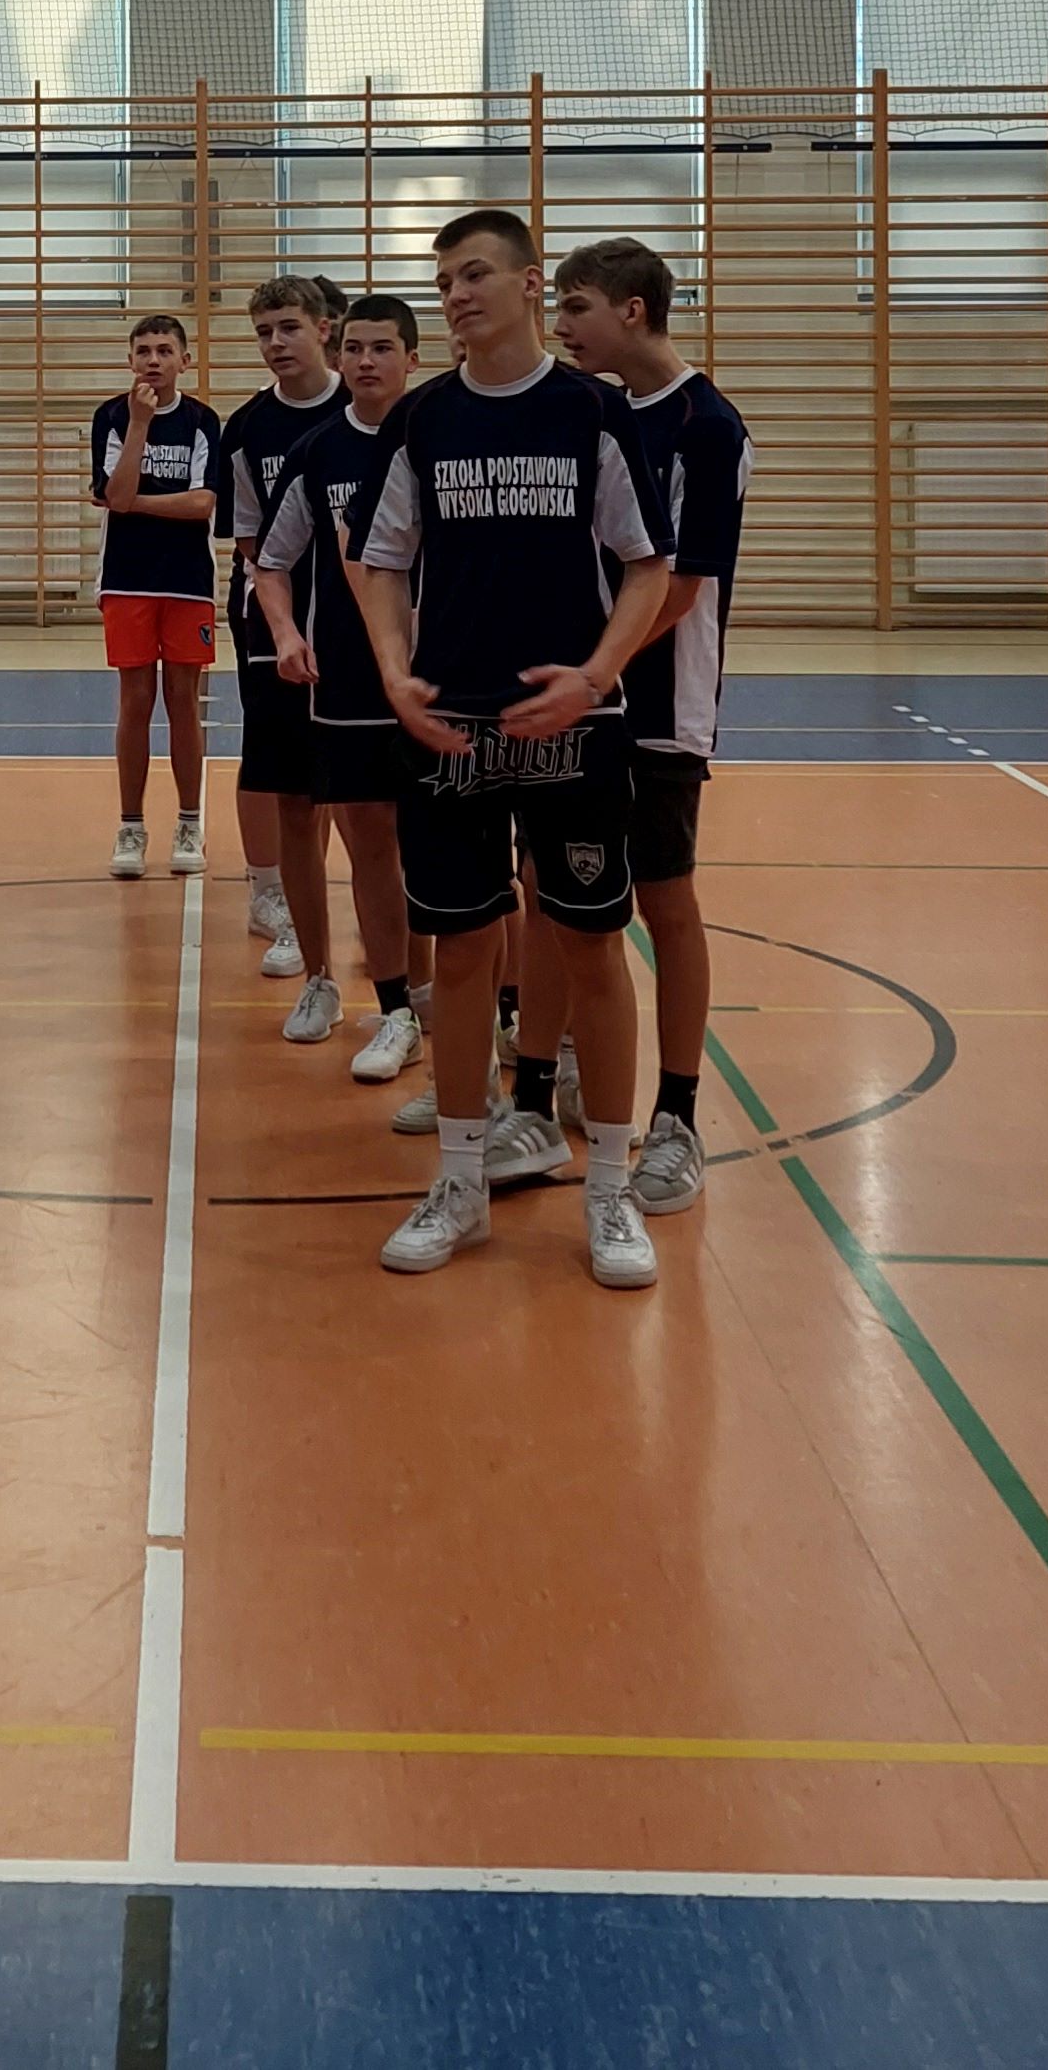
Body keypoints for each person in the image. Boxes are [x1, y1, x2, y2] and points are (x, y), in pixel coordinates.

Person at [347, 210, 671, 1292]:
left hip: (575, 728)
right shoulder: (422, 420)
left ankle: (610, 1188)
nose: (454, 294)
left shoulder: (593, 412)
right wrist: (394, 671)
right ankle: (461, 1183)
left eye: (475, 273)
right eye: (443, 279)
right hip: (453, 726)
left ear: (531, 285)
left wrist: (597, 674)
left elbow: (649, 565)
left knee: (590, 947)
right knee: (463, 953)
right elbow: (380, 562)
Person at [555, 238, 751, 1222]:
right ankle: (553, 1072)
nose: (560, 326)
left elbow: (679, 586)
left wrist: (596, 661)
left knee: (664, 900)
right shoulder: (587, 412)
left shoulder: (705, 427)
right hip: (579, 693)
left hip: (658, 702)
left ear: (632, 310)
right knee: (553, 891)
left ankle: (676, 1116)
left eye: (575, 307)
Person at [248, 296, 425, 1092]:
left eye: (381, 348)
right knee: (373, 841)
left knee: (442, 845)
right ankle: (396, 1006)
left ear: (412, 358)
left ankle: (465, 1001)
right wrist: (287, 633)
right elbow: (271, 560)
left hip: (439, 675)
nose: (364, 361)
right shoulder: (318, 451)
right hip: (349, 680)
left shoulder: (440, 436)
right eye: (354, 347)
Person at [218, 273, 348, 1009]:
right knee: (288, 776)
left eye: (289, 328)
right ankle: (293, 914)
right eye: (264, 332)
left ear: (324, 328)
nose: (276, 343)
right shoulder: (247, 428)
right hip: (275, 623)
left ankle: (379, 930)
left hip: (356, 620)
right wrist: (282, 622)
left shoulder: (364, 411)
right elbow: (248, 538)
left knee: (351, 779)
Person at [90, 313, 222, 881]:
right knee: (135, 702)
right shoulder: (112, 417)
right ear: (130, 360)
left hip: (187, 580)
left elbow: (201, 504)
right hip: (126, 579)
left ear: (184, 361)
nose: (153, 360)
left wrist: (134, 503)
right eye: (143, 350)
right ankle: (131, 825)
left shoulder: (202, 421)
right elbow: (115, 492)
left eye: (165, 350)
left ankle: (190, 821)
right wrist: (139, 425)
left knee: (183, 702)